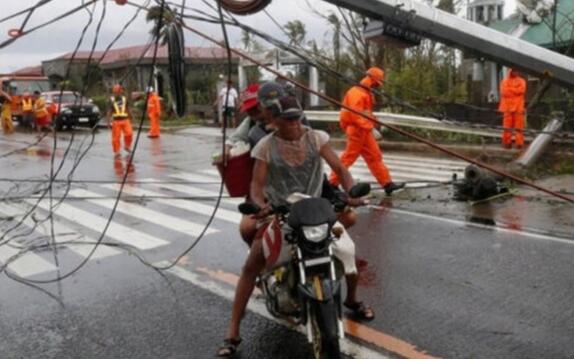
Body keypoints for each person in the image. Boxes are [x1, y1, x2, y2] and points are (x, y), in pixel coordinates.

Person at [217, 96, 374, 357]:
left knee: (348, 253)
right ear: (275, 121)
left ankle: (352, 299)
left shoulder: (316, 139)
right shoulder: (266, 147)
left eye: (297, 117)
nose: (295, 123)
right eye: (288, 119)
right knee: (251, 266)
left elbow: (339, 167)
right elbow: (256, 186)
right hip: (282, 213)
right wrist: (260, 205)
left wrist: (350, 193)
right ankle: (232, 332)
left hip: (316, 211)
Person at [329, 67, 405, 196]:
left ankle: (387, 184)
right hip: (357, 130)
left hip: (364, 130)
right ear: (372, 80)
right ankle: (332, 184)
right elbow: (355, 115)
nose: (377, 86)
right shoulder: (357, 93)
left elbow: (365, 113)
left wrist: (374, 122)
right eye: (377, 83)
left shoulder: (365, 92)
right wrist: (371, 127)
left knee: (375, 157)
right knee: (349, 158)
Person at [499, 68, 526, 149]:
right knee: (507, 127)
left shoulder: (522, 81)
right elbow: (504, 92)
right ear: (511, 71)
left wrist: (510, 90)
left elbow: (522, 90)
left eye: (517, 70)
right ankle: (507, 143)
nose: (516, 72)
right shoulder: (504, 81)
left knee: (519, 127)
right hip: (507, 107)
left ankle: (519, 144)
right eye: (514, 70)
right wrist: (516, 91)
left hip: (518, 107)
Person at [107, 84, 134, 158]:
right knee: (116, 138)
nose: (118, 93)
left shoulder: (124, 99)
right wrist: (108, 121)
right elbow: (109, 111)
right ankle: (117, 151)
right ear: (115, 92)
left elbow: (128, 108)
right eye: (116, 91)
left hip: (125, 120)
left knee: (129, 134)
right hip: (116, 121)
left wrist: (131, 117)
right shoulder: (111, 100)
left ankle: (127, 146)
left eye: (119, 91)